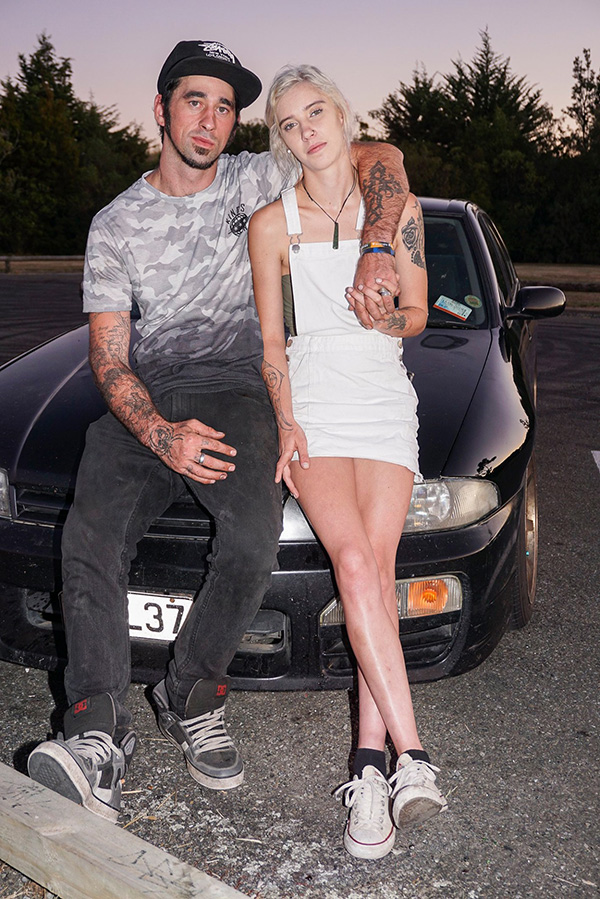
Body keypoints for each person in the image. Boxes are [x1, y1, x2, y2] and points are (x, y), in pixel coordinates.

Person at [26, 42, 411, 823]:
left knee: (251, 532)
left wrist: (376, 245)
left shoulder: (254, 178)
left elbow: (378, 153)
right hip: (147, 394)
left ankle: (191, 689)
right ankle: (96, 733)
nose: (210, 119)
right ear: (162, 109)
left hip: (240, 385)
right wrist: (161, 434)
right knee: (91, 533)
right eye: (194, 100)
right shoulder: (116, 223)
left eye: (226, 106)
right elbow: (107, 355)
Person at [248, 65, 447, 861]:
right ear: (282, 140)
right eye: (289, 125)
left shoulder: (396, 209)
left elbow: (420, 315)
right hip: (318, 402)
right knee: (356, 566)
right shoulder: (272, 222)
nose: (307, 132)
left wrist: (388, 314)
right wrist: (285, 418)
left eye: (316, 112)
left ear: (343, 113)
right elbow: (270, 340)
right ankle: (414, 757)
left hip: (383, 399)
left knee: (378, 578)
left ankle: (370, 773)